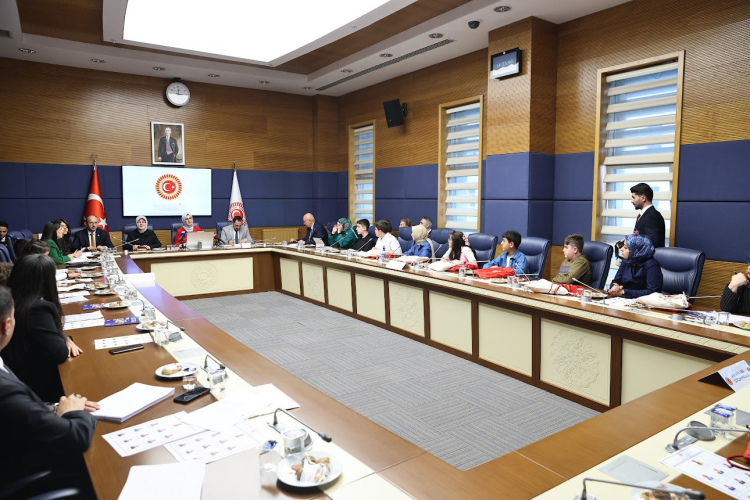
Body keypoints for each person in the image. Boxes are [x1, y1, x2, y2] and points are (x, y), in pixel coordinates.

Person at [0, 285, 99, 491]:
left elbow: (19, 412)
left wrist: (53, 408)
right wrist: (74, 413)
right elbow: (75, 437)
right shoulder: (5, 390)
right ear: (6, 325)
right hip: (30, 472)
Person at [4, 255, 84, 403]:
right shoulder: (37, 309)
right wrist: (64, 340)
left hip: (16, 375)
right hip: (37, 386)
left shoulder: (10, 299)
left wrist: (65, 338)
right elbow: (59, 353)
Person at [631, 182, 665, 248]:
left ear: (643, 198)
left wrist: (630, 241)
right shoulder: (646, 214)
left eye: (634, 197)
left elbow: (652, 242)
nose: (632, 201)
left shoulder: (652, 216)